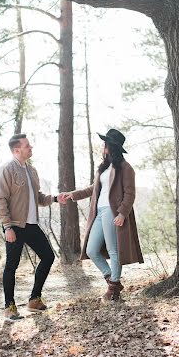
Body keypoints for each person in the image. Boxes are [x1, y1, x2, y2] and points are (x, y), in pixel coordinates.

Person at [61, 128, 143, 301]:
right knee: (91, 250)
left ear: (111, 146)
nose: (102, 146)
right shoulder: (104, 167)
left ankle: (113, 289)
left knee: (114, 251)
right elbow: (93, 189)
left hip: (113, 212)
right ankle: (113, 280)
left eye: (104, 143)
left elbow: (130, 193)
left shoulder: (125, 168)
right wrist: (73, 194)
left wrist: (122, 213)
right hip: (99, 211)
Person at [0, 133, 61, 322]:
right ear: (17, 150)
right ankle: (9, 307)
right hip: (14, 225)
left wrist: (55, 199)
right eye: (27, 146)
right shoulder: (6, 170)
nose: (31, 148)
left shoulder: (31, 171)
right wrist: (7, 227)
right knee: (12, 266)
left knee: (48, 256)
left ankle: (34, 300)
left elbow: (38, 197)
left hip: (31, 225)